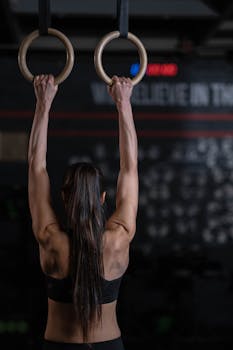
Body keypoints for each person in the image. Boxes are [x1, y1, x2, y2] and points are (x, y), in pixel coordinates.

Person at [28, 74, 138, 350]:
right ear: (102, 198)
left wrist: (44, 105)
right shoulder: (119, 238)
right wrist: (123, 104)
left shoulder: (50, 239)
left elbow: (36, 167)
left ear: (65, 198)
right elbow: (130, 168)